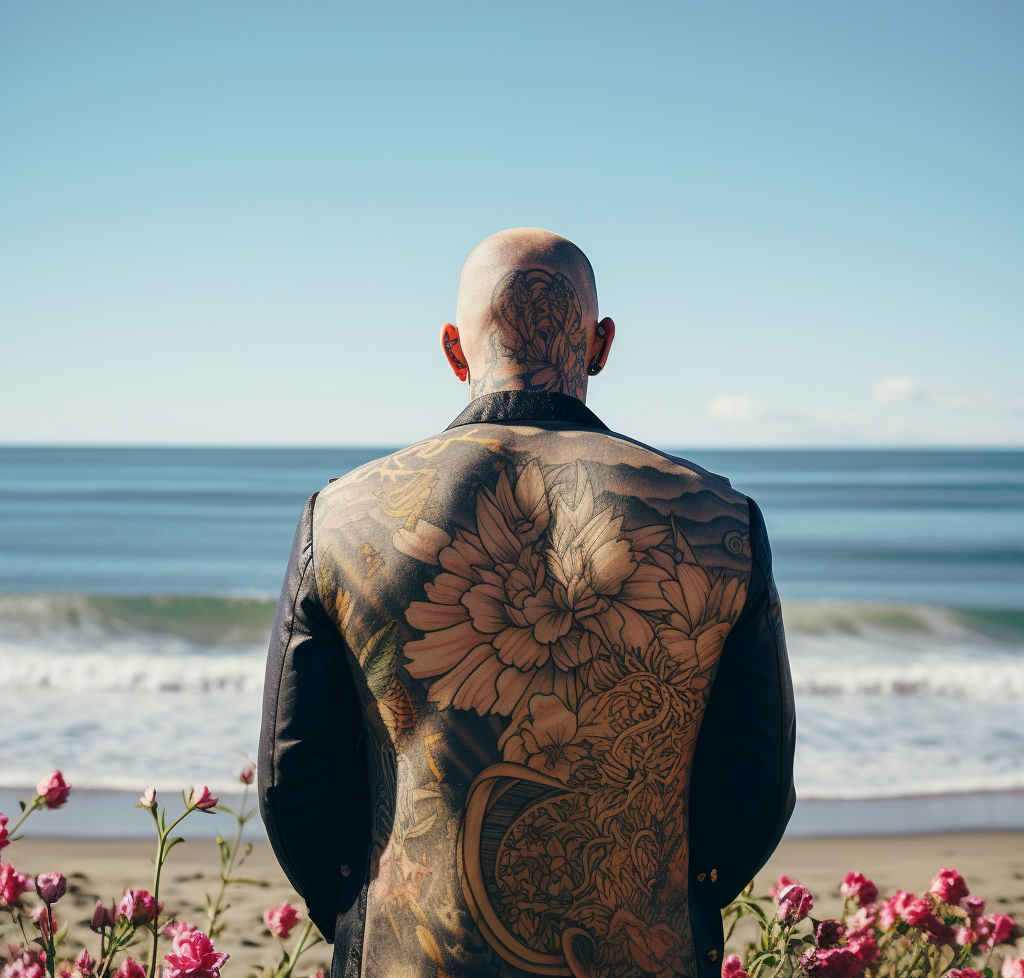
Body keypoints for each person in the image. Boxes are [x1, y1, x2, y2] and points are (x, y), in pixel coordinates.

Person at [259, 228, 795, 978]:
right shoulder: (715, 516)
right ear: (602, 344)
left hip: (410, 954)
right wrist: (670, 901)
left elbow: (295, 779)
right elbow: (755, 782)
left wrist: (362, 916)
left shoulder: (347, 515)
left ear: (453, 349)